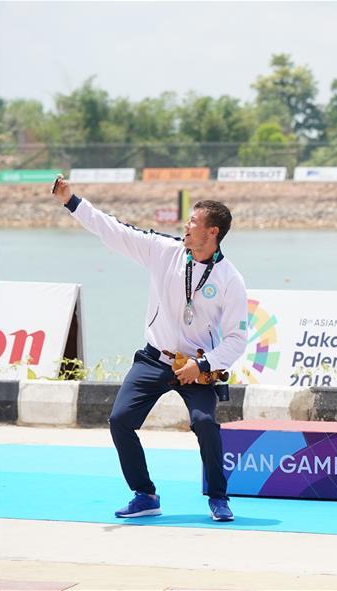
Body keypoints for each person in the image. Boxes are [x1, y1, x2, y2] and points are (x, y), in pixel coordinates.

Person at [51, 175, 247, 522]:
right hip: (155, 358)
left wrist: (202, 366)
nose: (185, 226)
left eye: (193, 222)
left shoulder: (230, 278)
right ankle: (145, 494)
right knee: (119, 420)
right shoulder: (164, 251)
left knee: (204, 423)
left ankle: (218, 497)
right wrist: (72, 201)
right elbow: (115, 231)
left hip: (197, 367)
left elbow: (236, 339)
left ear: (212, 232)